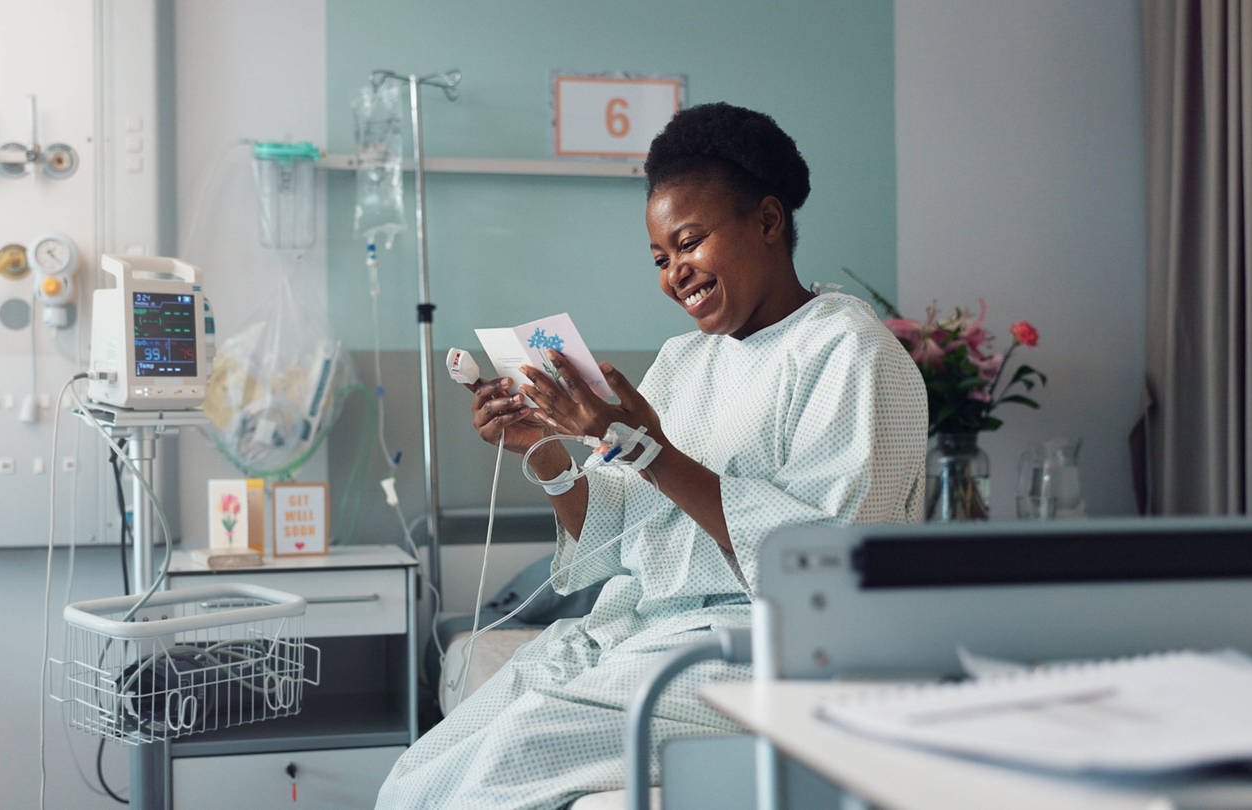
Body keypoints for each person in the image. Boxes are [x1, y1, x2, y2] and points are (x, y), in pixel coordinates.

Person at [375, 102, 927, 809]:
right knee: (422, 770)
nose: (676, 274)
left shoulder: (849, 353)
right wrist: (541, 447)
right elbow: (608, 536)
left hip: (769, 655)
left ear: (767, 221)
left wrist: (651, 450)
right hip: (644, 628)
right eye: (661, 258)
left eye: (691, 243)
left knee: (508, 761)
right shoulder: (681, 361)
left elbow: (829, 571)